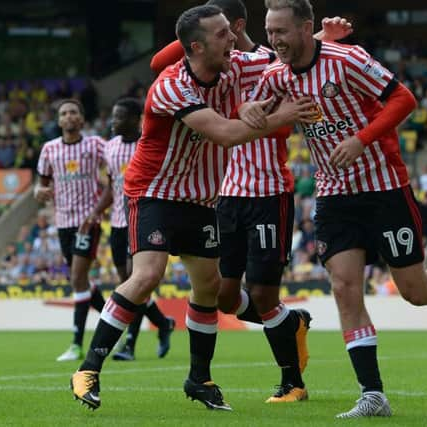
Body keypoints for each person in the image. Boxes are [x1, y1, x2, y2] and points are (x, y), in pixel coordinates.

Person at [246, 0, 427, 418]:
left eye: (281, 31)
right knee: (344, 286)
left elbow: (404, 100)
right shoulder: (275, 75)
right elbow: (250, 111)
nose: (274, 40)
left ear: (305, 28)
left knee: (416, 291)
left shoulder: (347, 58)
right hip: (334, 194)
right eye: (269, 31)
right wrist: (255, 111)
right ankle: (372, 394)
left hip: (384, 187)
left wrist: (361, 139)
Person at [70, 4, 317, 411]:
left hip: (202, 201)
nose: (233, 39)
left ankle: (199, 379)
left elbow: (286, 59)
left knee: (209, 288)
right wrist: (281, 115)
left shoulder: (234, 66)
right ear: (197, 47)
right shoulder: (171, 86)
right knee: (148, 274)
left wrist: (327, 40)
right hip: (155, 193)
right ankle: (89, 368)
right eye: (222, 34)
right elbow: (225, 134)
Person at [149, 0, 353, 403]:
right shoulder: (213, 71)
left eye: (224, 26)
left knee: (262, 295)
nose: (221, 35)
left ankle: (292, 381)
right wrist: (191, 33)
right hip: (226, 195)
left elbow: (298, 57)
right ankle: (290, 323)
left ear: (235, 25)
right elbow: (161, 62)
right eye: (213, 30)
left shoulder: (262, 62)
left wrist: (322, 38)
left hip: (267, 191)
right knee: (224, 296)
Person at [80, 97, 176, 362]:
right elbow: (112, 187)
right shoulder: (110, 148)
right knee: (129, 283)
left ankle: (130, 344)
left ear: (136, 120)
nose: (113, 122)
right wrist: (96, 211)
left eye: (119, 117)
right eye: (113, 116)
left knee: (135, 280)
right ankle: (163, 322)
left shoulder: (149, 143)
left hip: (144, 219)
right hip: (119, 223)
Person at [34, 99, 106, 361]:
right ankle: (119, 317)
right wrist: (38, 191)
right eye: (63, 113)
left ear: (81, 118)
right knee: (82, 281)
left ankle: (76, 343)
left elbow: (115, 170)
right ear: (59, 120)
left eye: (73, 112)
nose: (68, 116)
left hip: (88, 221)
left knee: (77, 278)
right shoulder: (49, 149)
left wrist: (99, 209)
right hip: (62, 222)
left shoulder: (96, 144)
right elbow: (40, 185)